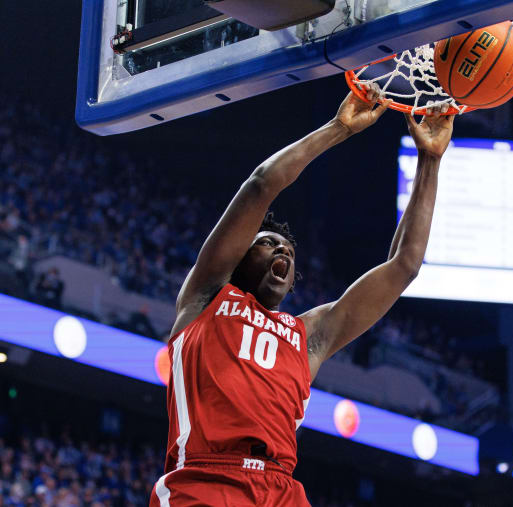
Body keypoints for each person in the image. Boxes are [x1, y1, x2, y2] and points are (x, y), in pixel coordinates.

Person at [150, 86, 454, 506]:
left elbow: (404, 266)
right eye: (267, 243)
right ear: (238, 256)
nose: (282, 249)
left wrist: (431, 160)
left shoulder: (308, 334)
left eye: (289, 250)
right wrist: (337, 129)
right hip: (206, 478)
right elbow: (261, 185)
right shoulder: (207, 298)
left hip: (282, 490)